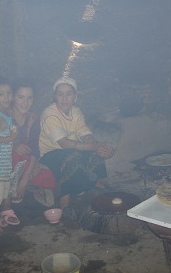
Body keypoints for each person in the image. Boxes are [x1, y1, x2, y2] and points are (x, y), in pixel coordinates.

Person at [39, 77, 114, 220]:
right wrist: (92, 146)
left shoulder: (76, 111)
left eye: (69, 94)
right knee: (73, 156)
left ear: (75, 97)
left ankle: (97, 181)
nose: (64, 98)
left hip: (70, 149)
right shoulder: (49, 114)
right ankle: (64, 201)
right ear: (55, 96)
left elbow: (83, 132)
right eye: (60, 94)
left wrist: (95, 144)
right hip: (50, 154)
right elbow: (64, 143)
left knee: (94, 151)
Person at [9, 78, 56, 206]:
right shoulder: (4, 116)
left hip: (25, 162)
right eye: (21, 97)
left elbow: (35, 149)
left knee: (48, 177)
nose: (25, 102)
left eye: (29, 98)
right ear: (12, 97)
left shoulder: (33, 119)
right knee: (16, 157)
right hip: (6, 161)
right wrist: (13, 146)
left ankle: (24, 183)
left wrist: (24, 180)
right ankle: (13, 187)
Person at [0, 76, 20, 232]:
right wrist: (11, 137)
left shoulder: (5, 114)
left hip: (4, 165)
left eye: (8, 93)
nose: (6, 97)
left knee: (2, 193)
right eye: (1, 94)